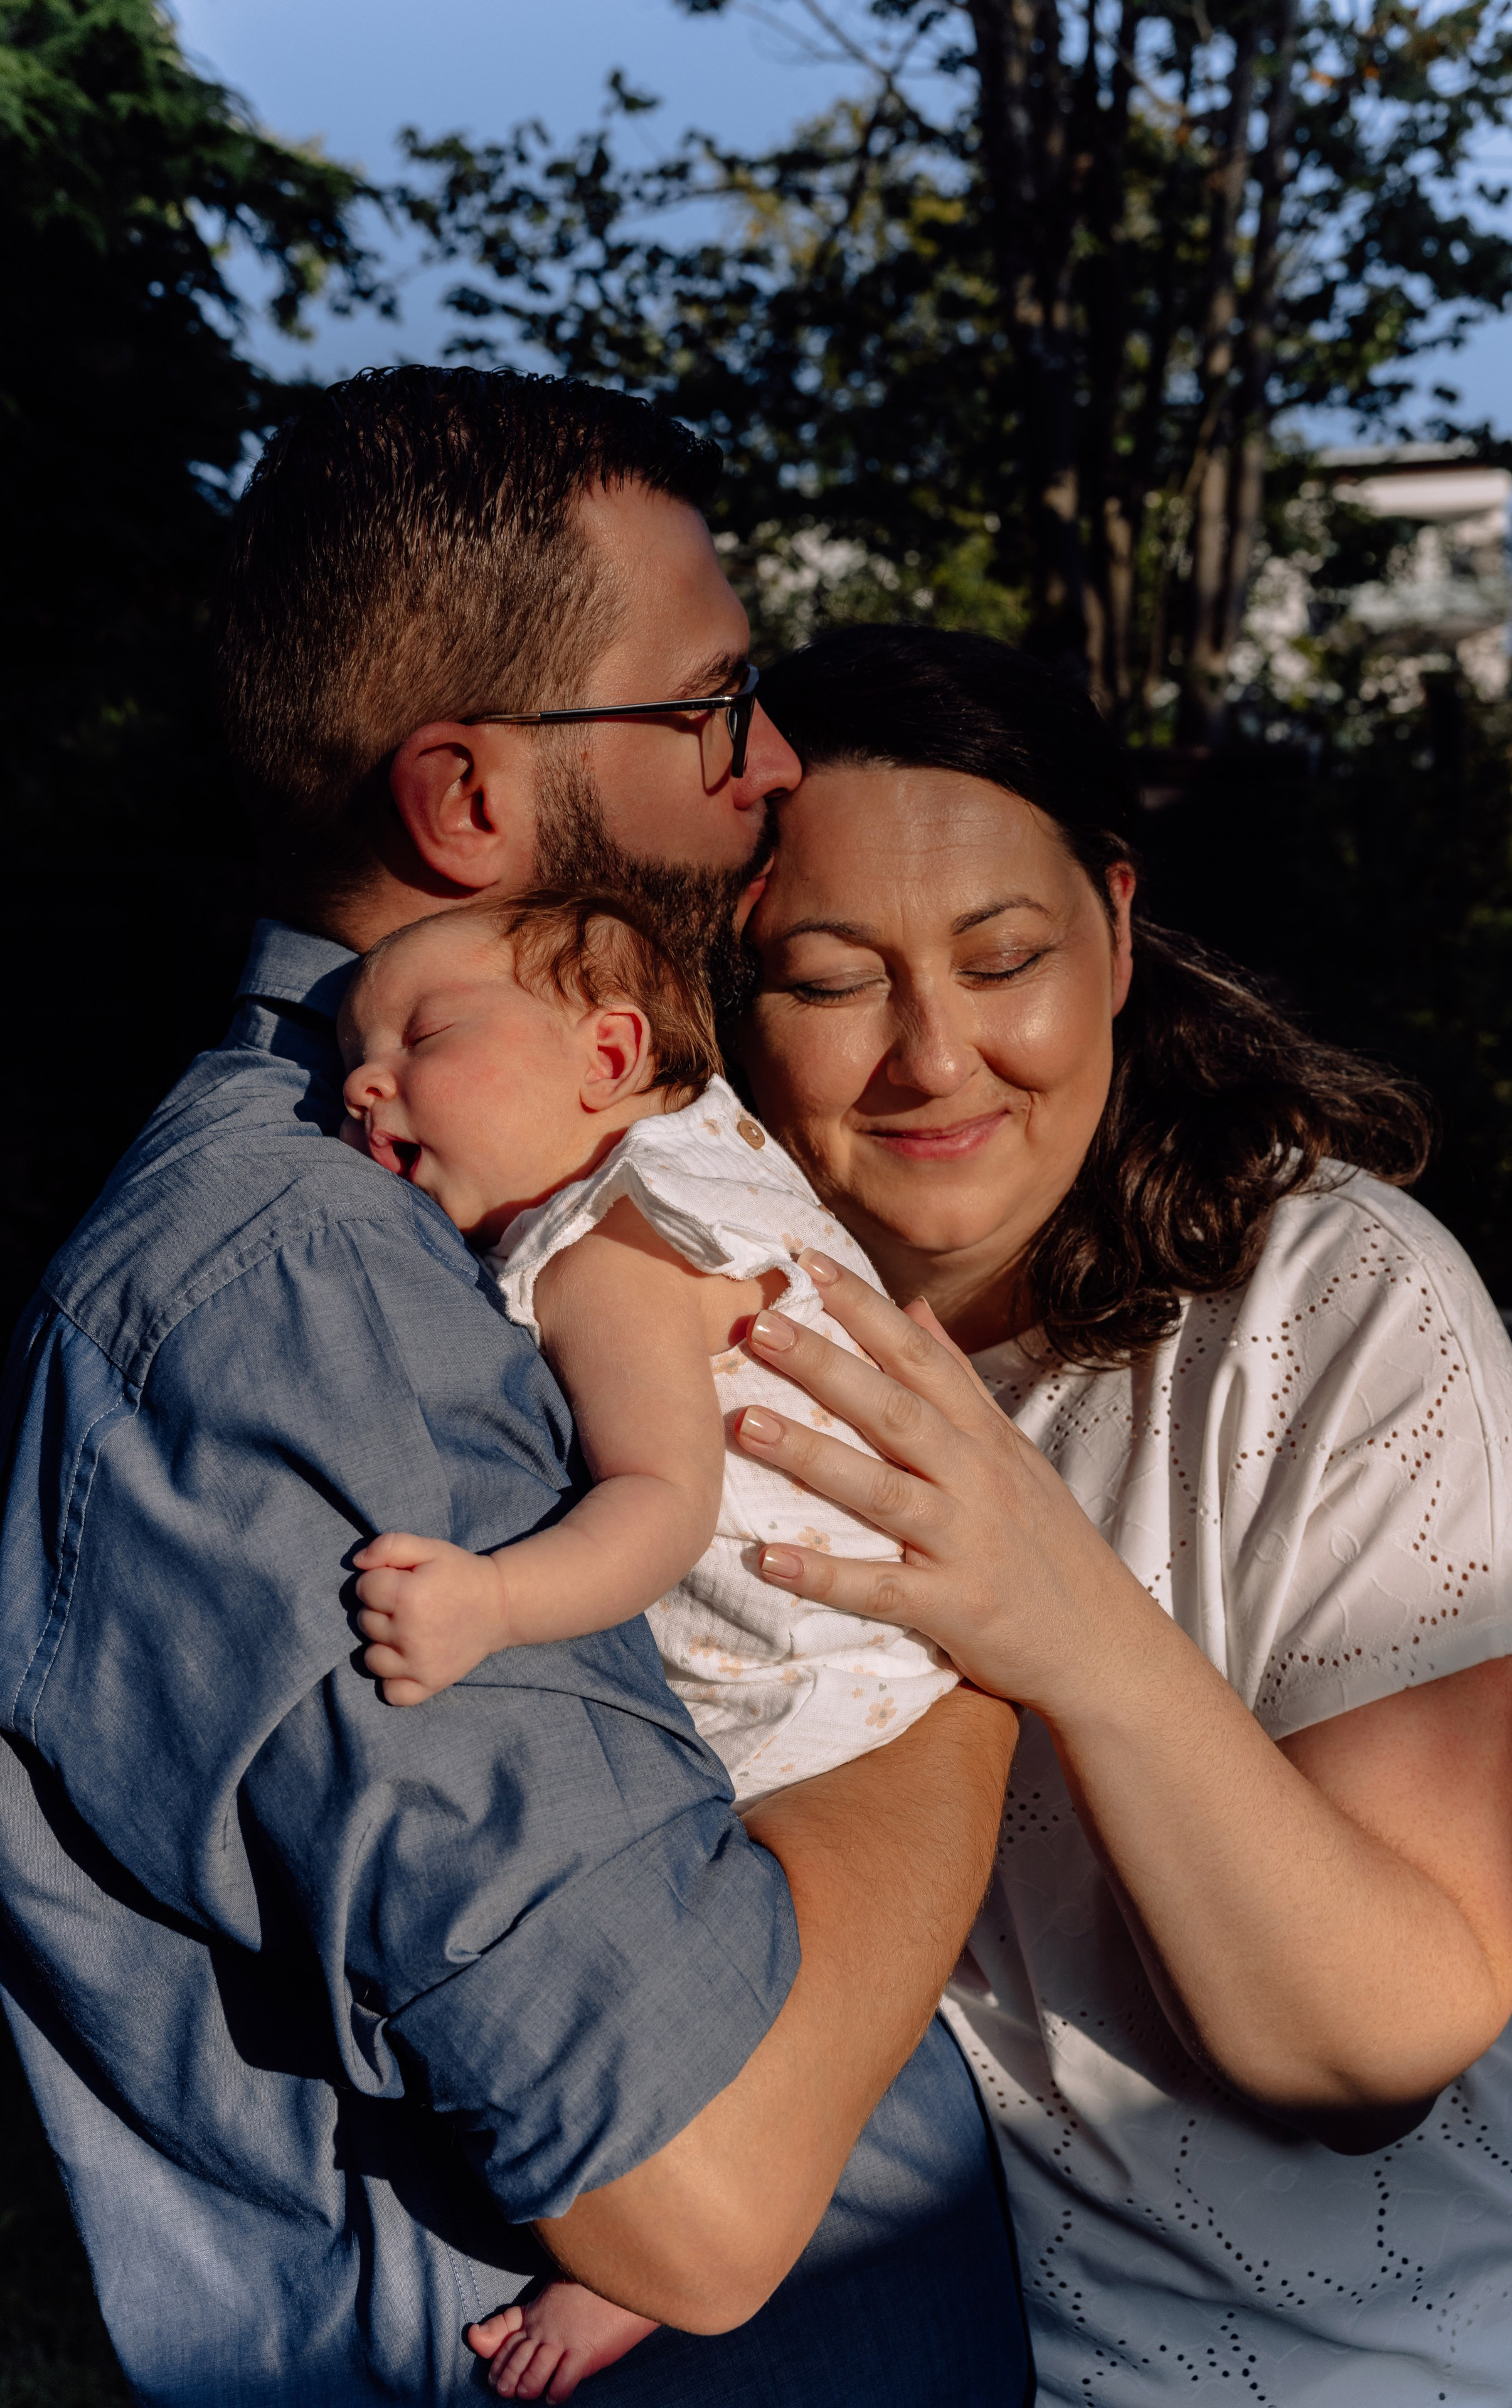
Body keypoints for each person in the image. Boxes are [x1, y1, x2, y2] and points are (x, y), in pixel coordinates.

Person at [0, 378, 1031, 2405]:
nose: (776, 764)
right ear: (468, 800)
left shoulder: (526, 1175)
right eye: (713, 706)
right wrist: (994, 1648)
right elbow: (702, 2200)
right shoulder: (315, 1282)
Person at [711, 623, 1512, 2408]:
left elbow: (1375, 2036)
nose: (933, 1056)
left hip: (1462, 2358)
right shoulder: (694, 1350)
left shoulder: (1339, 1306)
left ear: (1116, 933)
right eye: (830, 978)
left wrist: (1062, 1613)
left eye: (1004, 958)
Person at [338, 889, 957, 2398]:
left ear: (608, 1052)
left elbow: (661, 1505)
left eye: (424, 1037)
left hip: (808, 1691)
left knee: (758, 2011)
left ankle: (646, 2277)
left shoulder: (607, 1251)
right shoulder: (716, 1150)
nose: (363, 1080)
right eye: (356, 1053)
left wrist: (490, 1601)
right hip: (892, 1650)